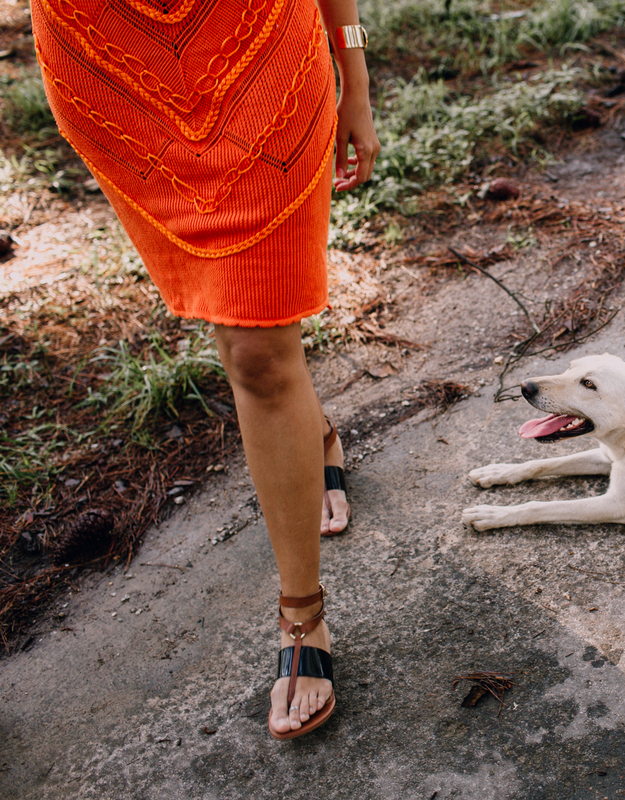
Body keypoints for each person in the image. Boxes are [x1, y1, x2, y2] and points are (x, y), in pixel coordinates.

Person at [31, 0, 379, 739]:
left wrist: (354, 68)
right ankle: (313, 437)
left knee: (257, 347)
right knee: (234, 325)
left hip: (260, 49)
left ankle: (302, 619)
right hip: (116, 61)